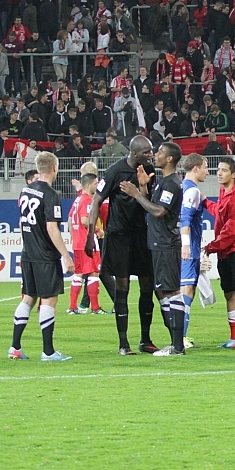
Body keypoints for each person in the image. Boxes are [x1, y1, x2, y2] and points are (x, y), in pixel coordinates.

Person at [85, 135, 159, 355]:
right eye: (146, 152)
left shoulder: (148, 170)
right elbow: (96, 201)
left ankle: (145, 339)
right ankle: (123, 343)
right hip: (118, 236)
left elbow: (149, 203)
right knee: (122, 288)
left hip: (140, 234)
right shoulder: (115, 172)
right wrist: (90, 234)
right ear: (134, 153)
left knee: (147, 286)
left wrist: (142, 187)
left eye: (151, 151)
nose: (150, 155)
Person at [120, 142, 187, 356]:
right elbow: (153, 206)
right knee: (163, 291)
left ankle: (178, 346)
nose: (155, 155)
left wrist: (136, 194)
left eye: (159, 152)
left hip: (166, 244)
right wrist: (143, 188)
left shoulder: (171, 183)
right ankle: (175, 343)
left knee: (172, 292)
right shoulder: (162, 182)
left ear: (169, 159)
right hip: (158, 244)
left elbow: (159, 211)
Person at [8, 152, 74, 361]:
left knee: (28, 297)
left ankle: (15, 347)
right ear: (55, 167)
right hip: (45, 255)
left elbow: (22, 223)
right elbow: (52, 228)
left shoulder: (26, 190)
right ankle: (48, 351)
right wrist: (66, 256)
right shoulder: (51, 194)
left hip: (28, 253)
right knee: (49, 300)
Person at [202, 158, 235, 350]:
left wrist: (210, 247)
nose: (219, 173)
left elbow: (231, 232)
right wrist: (205, 202)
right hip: (225, 250)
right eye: (218, 169)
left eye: (224, 170)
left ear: (234, 174)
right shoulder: (224, 192)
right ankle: (234, 338)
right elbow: (219, 212)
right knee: (229, 293)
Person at [179, 154, 209, 348]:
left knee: (183, 288)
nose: (208, 172)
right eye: (205, 167)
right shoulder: (192, 191)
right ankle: (180, 337)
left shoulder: (180, 187)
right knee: (187, 289)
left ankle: (180, 335)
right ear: (195, 168)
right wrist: (186, 245)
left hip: (180, 245)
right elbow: (185, 218)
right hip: (188, 248)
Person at [67, 173, 105, 315]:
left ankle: (72, 307)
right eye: (95, 184)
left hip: (78, 243)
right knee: (94, 273)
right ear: (88, 185)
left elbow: (70, 220)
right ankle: (95, 308)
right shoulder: (88, 200)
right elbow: (84, 220)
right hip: (88, 243)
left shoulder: (77, 200)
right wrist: (98, 230)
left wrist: (74, 236)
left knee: (79, 274)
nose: (97, 186)